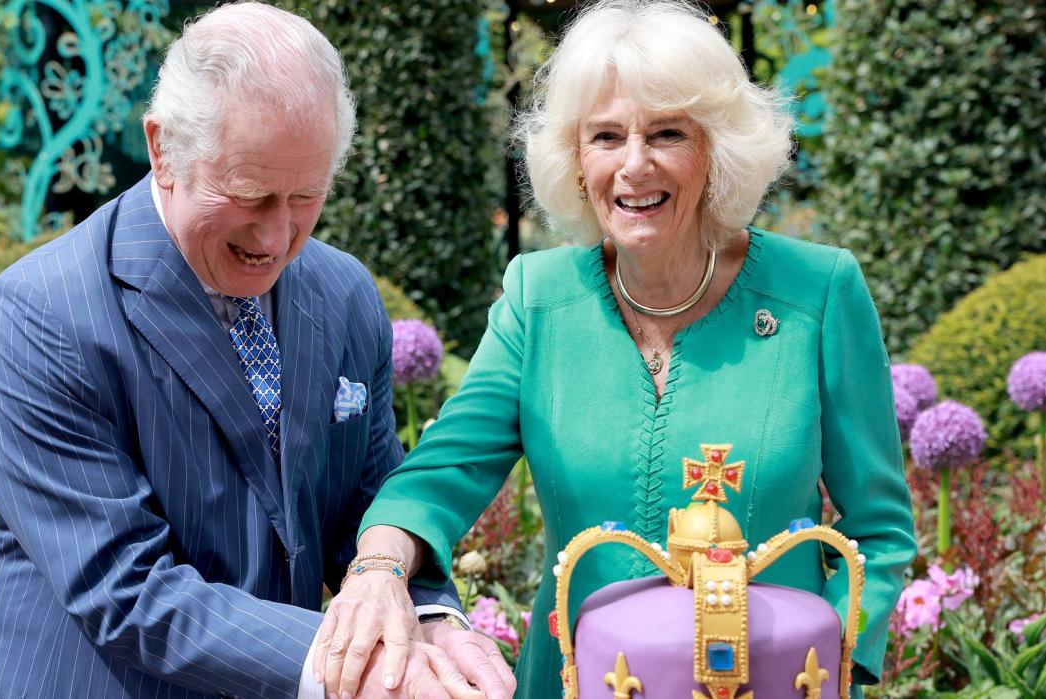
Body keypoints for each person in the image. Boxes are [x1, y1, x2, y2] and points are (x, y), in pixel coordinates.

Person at [313, 1, 917, 697]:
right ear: (575, 159)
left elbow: (879, 529)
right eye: (605, 136)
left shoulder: (819, 292)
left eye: (667, 133)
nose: (635, 165)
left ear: (716, 147)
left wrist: (828, 654)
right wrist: (379, 569)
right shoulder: (537, 298)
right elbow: (438, 475)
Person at [0, 3, 513, 697]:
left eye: (307, 196)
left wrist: (428, 621)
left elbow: (370, 505)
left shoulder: (343, 294)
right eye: (249, 194)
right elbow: (125, 590)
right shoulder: (40, 317)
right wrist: (363, 667)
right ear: (163, 151)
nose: (277, 236)